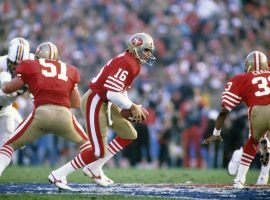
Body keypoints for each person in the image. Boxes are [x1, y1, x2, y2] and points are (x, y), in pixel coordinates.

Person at [50, 32, 155, 187]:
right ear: (135, 47)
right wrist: (130, 106)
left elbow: (120, 90)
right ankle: (58, 174)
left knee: (129, 134)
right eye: (146, 50)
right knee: (97, 151)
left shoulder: (132, 62)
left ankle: (95, 168)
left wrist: (131, 104)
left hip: (107, 101)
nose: (148, 54)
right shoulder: (128, 62)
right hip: (96, 100)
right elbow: (112, 92)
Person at [0, 42, 91, 191]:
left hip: (41, 114)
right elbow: (75, 103)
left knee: (8, 146)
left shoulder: (30, 65)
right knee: (88, 147)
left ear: (38, 56)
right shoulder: (70, 70)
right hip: (64, 115)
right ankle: (62, 173)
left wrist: (5, 80)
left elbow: (7, 88)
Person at [203, 50, 270, 189]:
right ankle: (263, 177)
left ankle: (240, 178)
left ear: (248, 65)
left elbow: (224, 111)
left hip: (257, 110)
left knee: (253, 143)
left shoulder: (242, 78)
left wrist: (216, 133)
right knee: (265, 143)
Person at [0, 37, 31, 146]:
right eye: (14, 64)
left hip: (6, 108)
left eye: (20, 65)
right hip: (3, 103)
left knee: (20, 138)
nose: (16, 69)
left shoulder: (32, 62)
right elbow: (6, 91)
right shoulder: (1, 64)